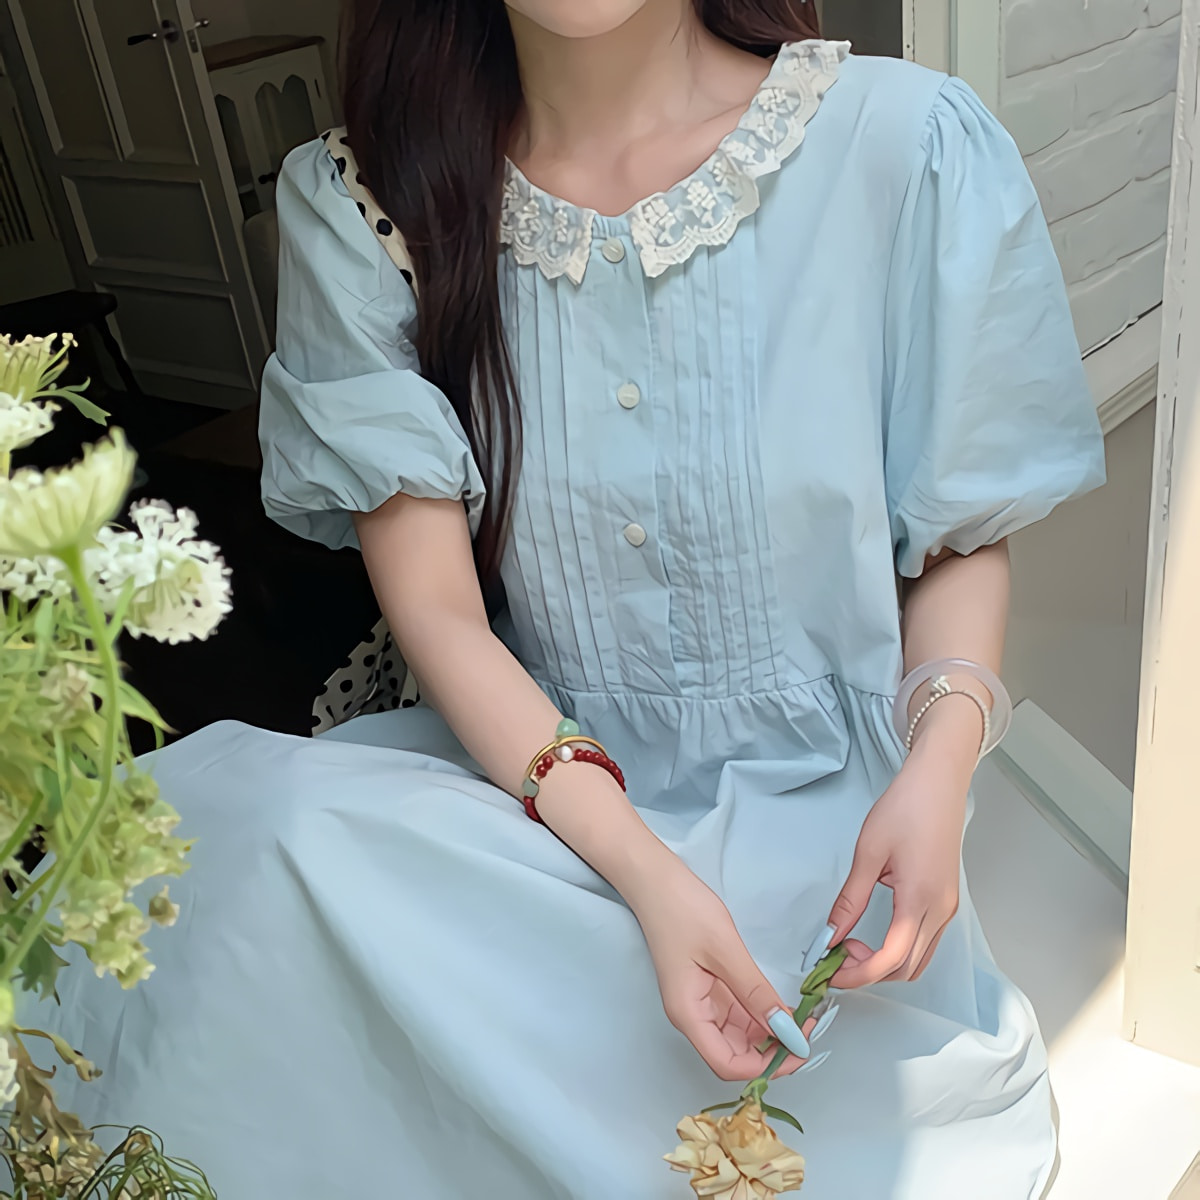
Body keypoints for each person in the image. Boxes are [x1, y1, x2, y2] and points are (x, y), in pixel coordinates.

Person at [38, 2, 1105, 1197]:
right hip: (531, 803)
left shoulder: (905, 144)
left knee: (805, 1127)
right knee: (241, 862)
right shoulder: (364, 205)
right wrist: (644, 875)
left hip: (821, 828)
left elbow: (957, 535)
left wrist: (939, 767)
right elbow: (439, 615)